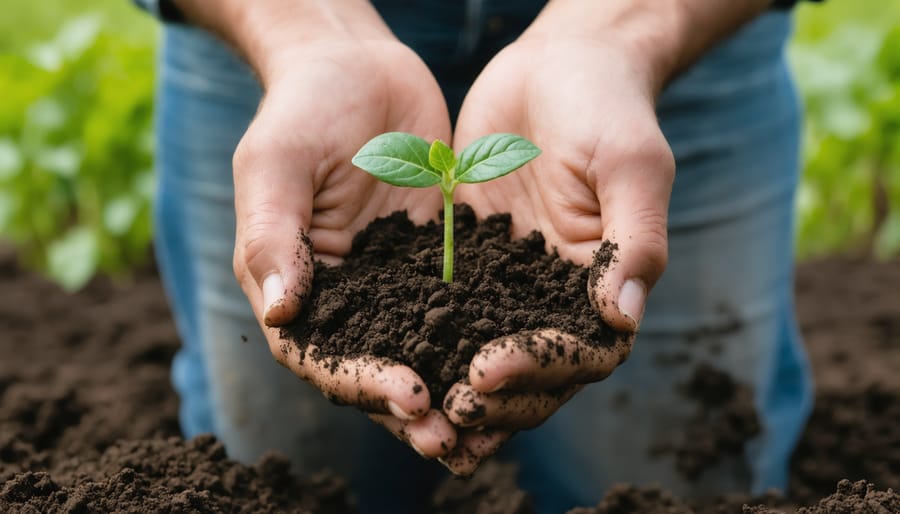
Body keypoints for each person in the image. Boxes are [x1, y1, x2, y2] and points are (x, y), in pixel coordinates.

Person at [135, 1, 818, 512]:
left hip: (666, 35)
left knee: (667, 480)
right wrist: (310, 34)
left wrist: (610, 38)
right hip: (274, 34)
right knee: (282, 477)